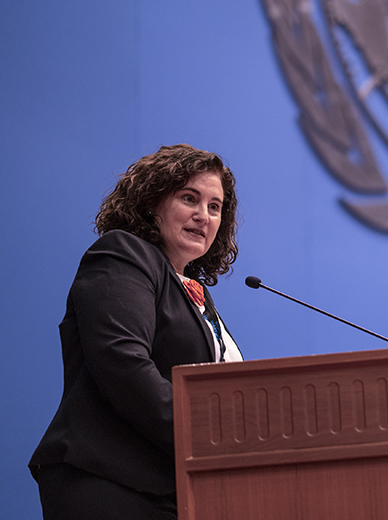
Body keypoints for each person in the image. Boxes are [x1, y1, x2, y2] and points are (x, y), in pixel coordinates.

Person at [29, 144, 243, 519]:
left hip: (176, 490)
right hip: (111, 481)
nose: (203, 216)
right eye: (188, 198)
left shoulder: (194, 294)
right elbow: (122, 363)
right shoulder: (122, 254)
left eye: (214, 206)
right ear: (151, 203)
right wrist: (205, 439)